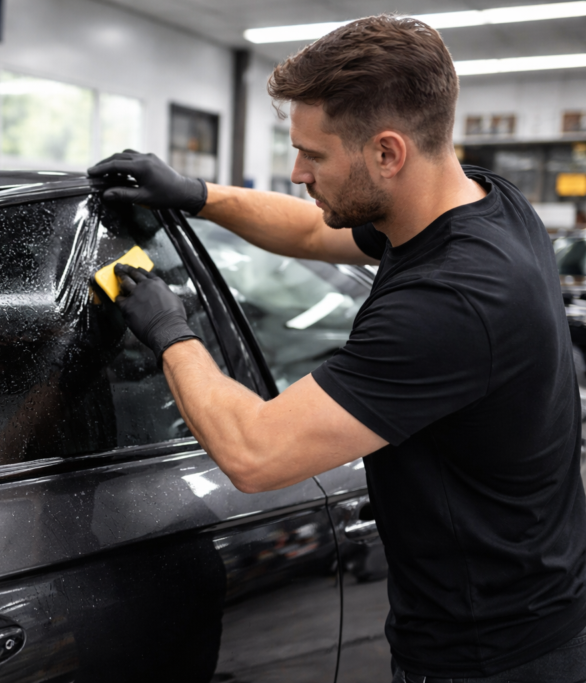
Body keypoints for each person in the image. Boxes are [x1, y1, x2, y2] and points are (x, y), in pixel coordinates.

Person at [88, 14, 586, 683]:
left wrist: (168, 329)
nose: (297, 173)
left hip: (492, 658)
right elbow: (316, 234)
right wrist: (199, 196)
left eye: (313, 156)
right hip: (529, 616)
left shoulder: (452, 303)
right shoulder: (483, 202)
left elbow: (254, 452)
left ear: (387, 153)